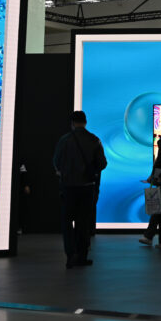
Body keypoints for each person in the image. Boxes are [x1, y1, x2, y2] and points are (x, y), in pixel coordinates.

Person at [53, 110, 107, 268]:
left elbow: (56, 161)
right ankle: (82, 256)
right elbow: (102, 163)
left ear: (72, 123)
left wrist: (64, 172)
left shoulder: (64, 140)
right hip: (87, 188)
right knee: (83, 223)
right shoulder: (94, 140)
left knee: (67, 222)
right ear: (85, 122)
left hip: (68, 187)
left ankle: (70, 255)